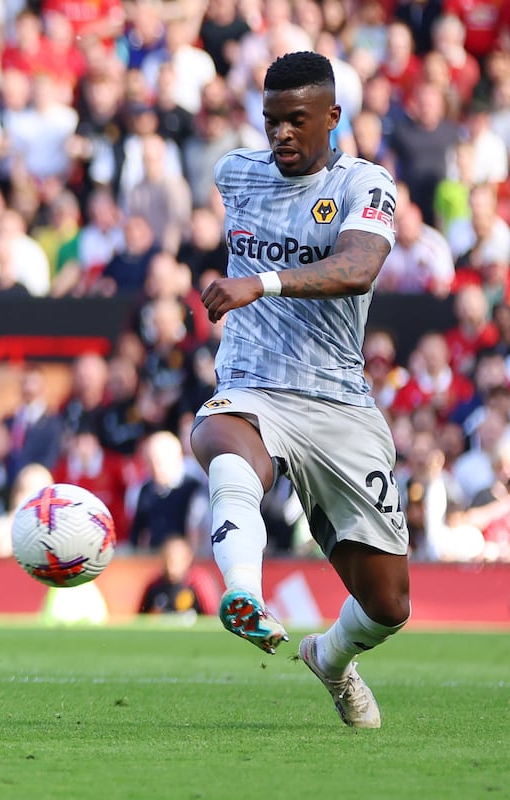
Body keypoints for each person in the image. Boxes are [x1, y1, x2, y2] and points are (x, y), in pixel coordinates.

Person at [193, 52, 408, 729]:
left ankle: (331, 658)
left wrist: (263, 282)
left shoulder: (365, 185)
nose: (281, 133)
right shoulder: (236, 174)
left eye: (296, 120)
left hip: (338, 403)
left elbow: (359, 266)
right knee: (222, 439)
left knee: (388, 605)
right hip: (254, 384)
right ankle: (244, 596)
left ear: (333, 118)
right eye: (272, 121)